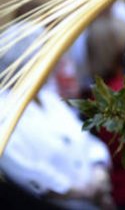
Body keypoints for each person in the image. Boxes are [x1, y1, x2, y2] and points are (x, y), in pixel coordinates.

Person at [0, 24, 114, 210]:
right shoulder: (5, 115)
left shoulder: (48, 97)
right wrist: (83, 191)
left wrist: (98, 175)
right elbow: (29, 174)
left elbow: (85, 139)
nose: (52, 65)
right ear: (24, 64)